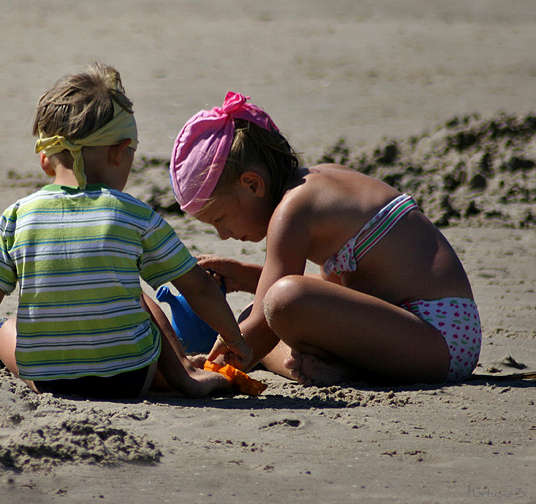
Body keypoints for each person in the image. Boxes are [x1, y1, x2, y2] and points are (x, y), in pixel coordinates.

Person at [0, 65, 253, 399]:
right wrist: (236, 340)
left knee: (7, 329)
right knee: (137, 298)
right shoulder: (134, 215)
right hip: (128, 378)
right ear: (119, 151)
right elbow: (198, 288)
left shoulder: (16, 217)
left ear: (46, 160)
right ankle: (183, 375)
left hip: (49, 382)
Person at [170, 91, 481, 387]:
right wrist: (242, 275)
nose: (224, 235)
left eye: (221, 219)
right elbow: (331, 294)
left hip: (436, 337)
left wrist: (202, 369)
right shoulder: (322, 183)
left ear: (253, 185)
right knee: (260, 312)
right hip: (431, 335)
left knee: (278, 305)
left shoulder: (293, 210)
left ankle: (334, 368)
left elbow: (274, 313)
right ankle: (317, 368)